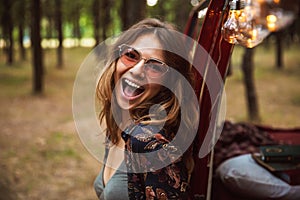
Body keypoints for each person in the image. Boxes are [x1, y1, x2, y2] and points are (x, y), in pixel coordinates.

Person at [93, 18, 199, 200]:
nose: (137, 70)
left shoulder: (150, 144)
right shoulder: (119, 125)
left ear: (169, 82)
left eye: (154, 66)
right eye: (131, 55)